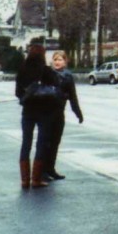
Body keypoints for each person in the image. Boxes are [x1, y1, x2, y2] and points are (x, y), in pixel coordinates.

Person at [14, 40, 60, 189]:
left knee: (26, 143)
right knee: (41, 143)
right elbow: (56, 84)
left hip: (27, 111)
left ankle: (24, 180)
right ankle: (36, 179)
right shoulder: (45, 70)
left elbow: (17, 92)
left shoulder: (22, 69)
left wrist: (26, 97)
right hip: (44, 111)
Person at [44, 50, 84, 180]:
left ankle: (51, 169)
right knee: (46, 143)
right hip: (46, 113)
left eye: (60, 59)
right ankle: (42, 170)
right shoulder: (47, 74)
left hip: (59, 114)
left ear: (65, 62)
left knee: (55, 142)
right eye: (55, 59)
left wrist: (78, 113)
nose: (57, 62)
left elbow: (73, 96)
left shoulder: (68, 77)